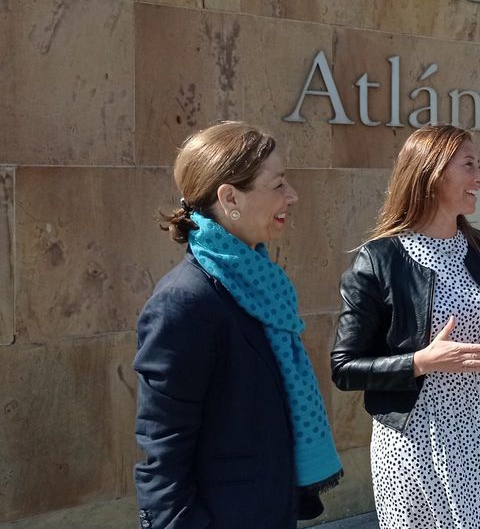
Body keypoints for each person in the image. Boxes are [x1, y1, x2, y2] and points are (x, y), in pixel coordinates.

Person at [133, 121, 342, 529]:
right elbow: (163, 448)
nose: (292, 195)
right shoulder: (184, 302)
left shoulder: (261, 286)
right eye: (278, 183)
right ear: (229, 197)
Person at [331, 124, 480, 529]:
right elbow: (344, 368)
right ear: (432, 172)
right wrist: (421, 361)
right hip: (415, 439)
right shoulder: (379, 258)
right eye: (470, 166)